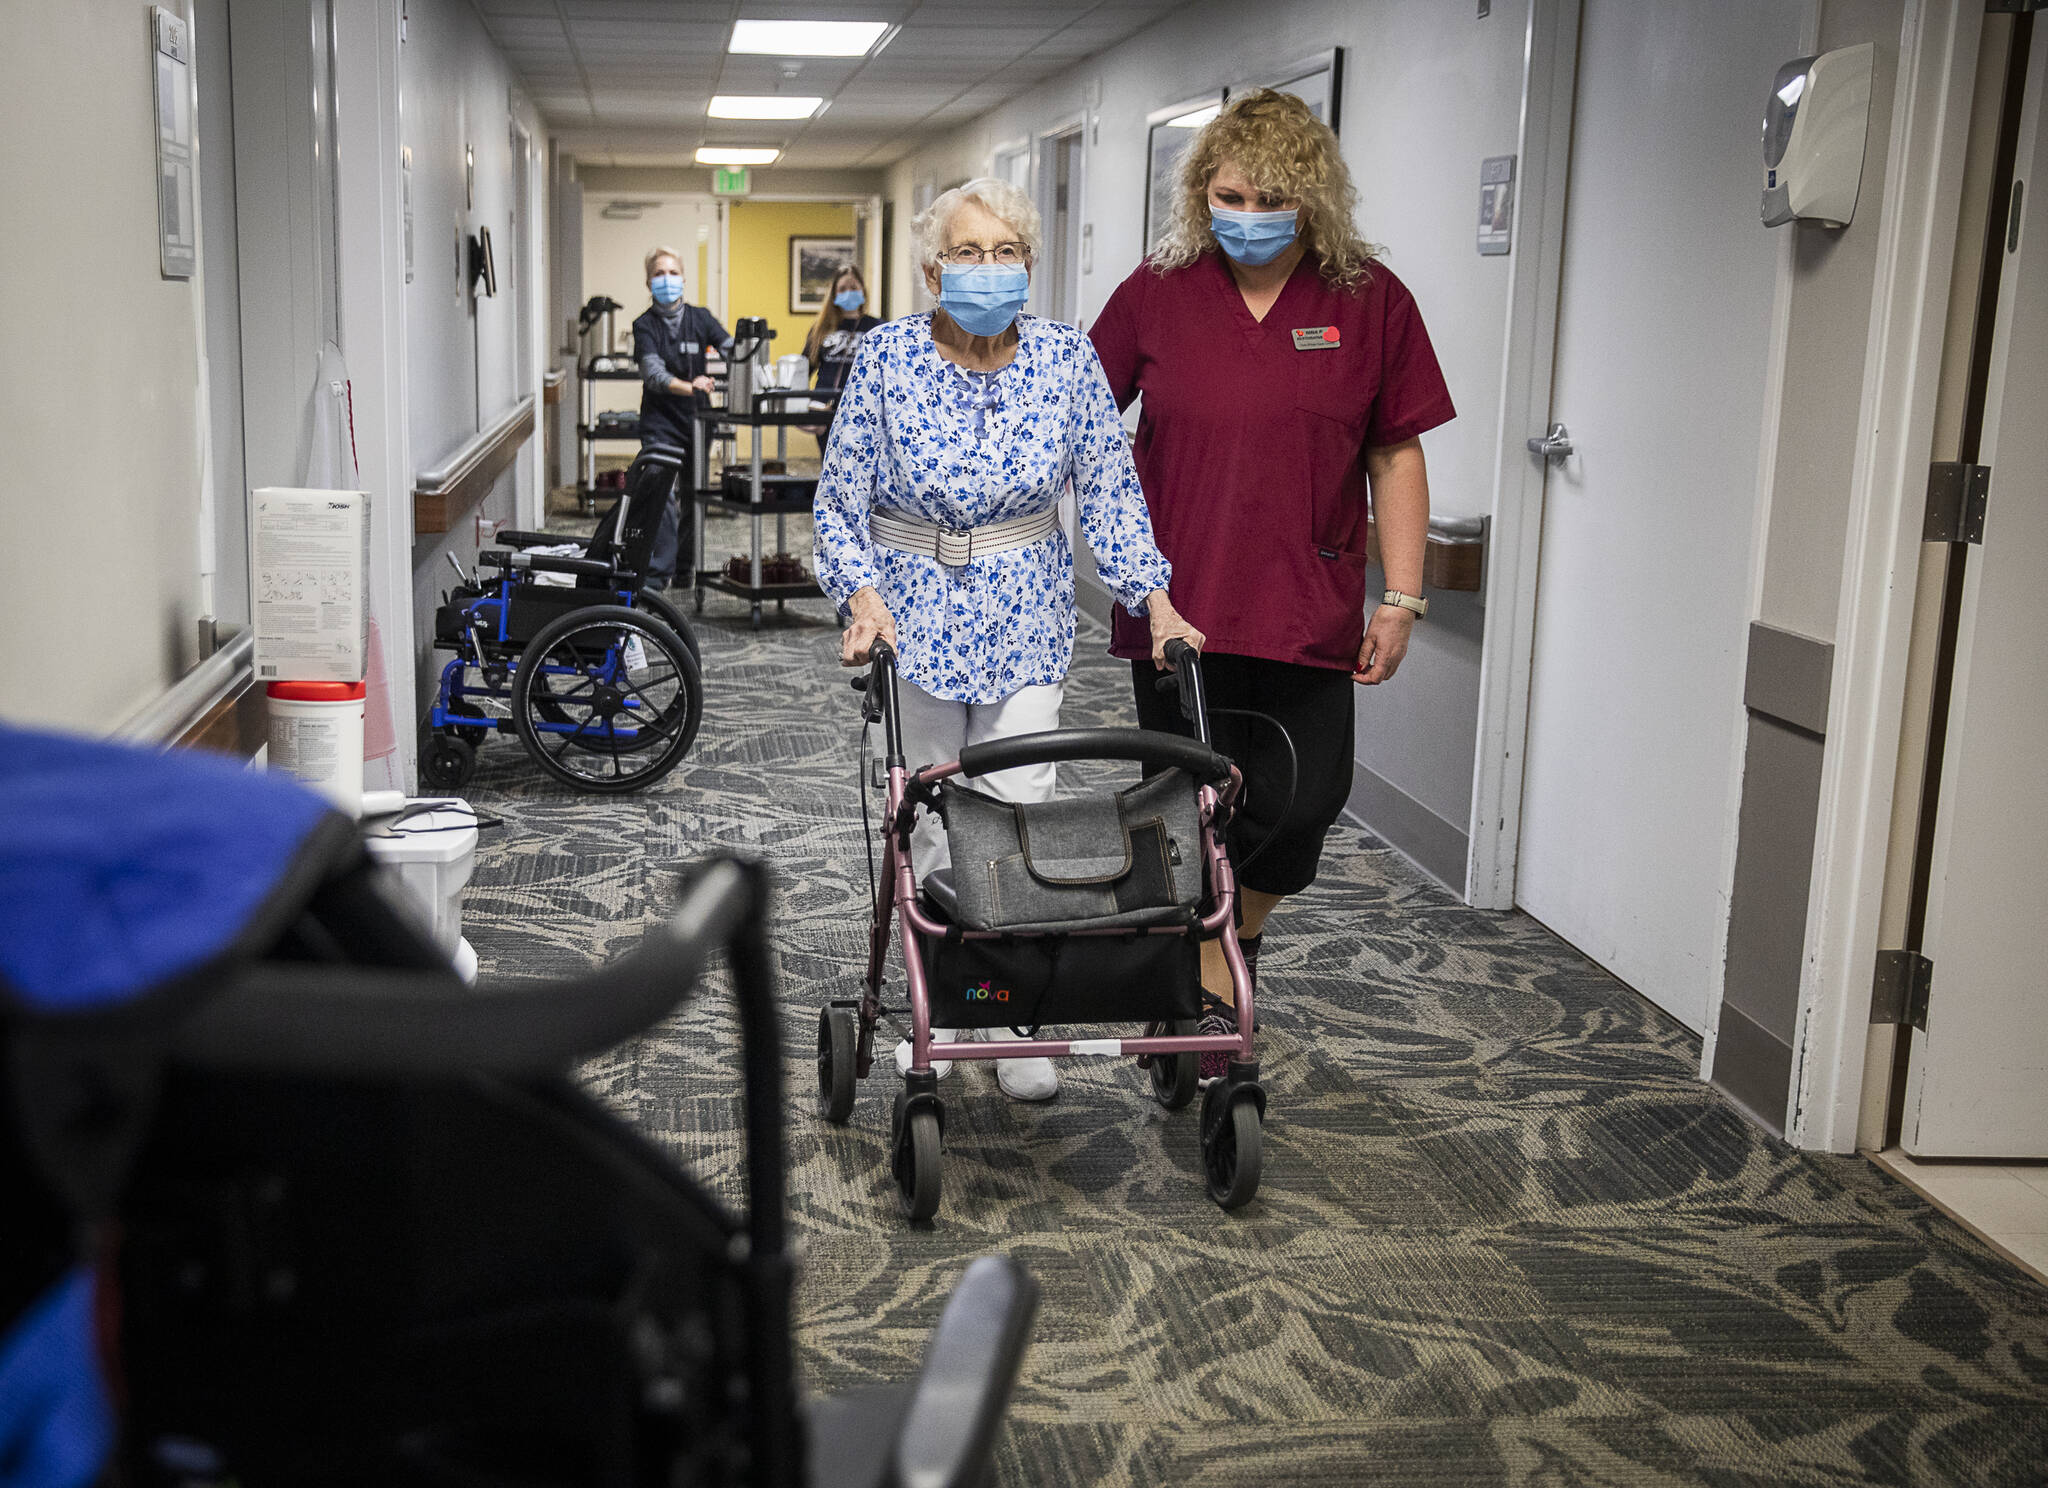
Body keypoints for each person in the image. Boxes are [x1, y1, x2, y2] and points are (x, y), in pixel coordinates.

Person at [1089, 89, 1456, 1081]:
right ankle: (1191, 987)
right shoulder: (1156, 292)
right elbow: (1077, 418)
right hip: (1175, 602)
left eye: (1268, 197)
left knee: (1299, 803)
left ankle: (1224, 946)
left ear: (1313, 199)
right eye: (1227, 194)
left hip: (1308, 603)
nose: (1245, 213)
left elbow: (1396, 453)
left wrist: (1403, 594)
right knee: (1176, 809)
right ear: (1201, 193)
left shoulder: (1368, 301)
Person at [813, 178, 1202, 1102]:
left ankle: (1014, 1010)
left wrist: (1157, 601)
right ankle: (952, 998)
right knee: (933, 822)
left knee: (1020, 810)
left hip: (1027, 610)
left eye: (1005, 253)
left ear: (1029, 264)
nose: (986, 270)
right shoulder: (886, 358)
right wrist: (860, 596)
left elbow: (1108, 491)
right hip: (909, 616)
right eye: (966, 252)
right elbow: (837, 505)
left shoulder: (1068, 361)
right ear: (931, 268)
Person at [632, 247, 731, 589]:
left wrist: (747, 362)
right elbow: (653, 374)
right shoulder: (644, 325)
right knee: (663, 496)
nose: (667, 280)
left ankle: (686, 569)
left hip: (697, 421)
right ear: (648, 282)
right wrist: (691, 386)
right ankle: (658, 573)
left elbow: (731, 347)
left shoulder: (701, 318)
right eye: (659, 274)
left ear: (684, 277)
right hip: (660, 422)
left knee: (693, 496)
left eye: (673, 273)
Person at [799, 264, 882, 443]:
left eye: (853, 288)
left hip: (861, 411)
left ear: (863, 291)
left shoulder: (877, 328)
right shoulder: (821, 329)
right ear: (834, 294)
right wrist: (802, 404)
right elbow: (803, 369)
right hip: (824, 410)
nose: (848, 292)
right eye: (843, 289)